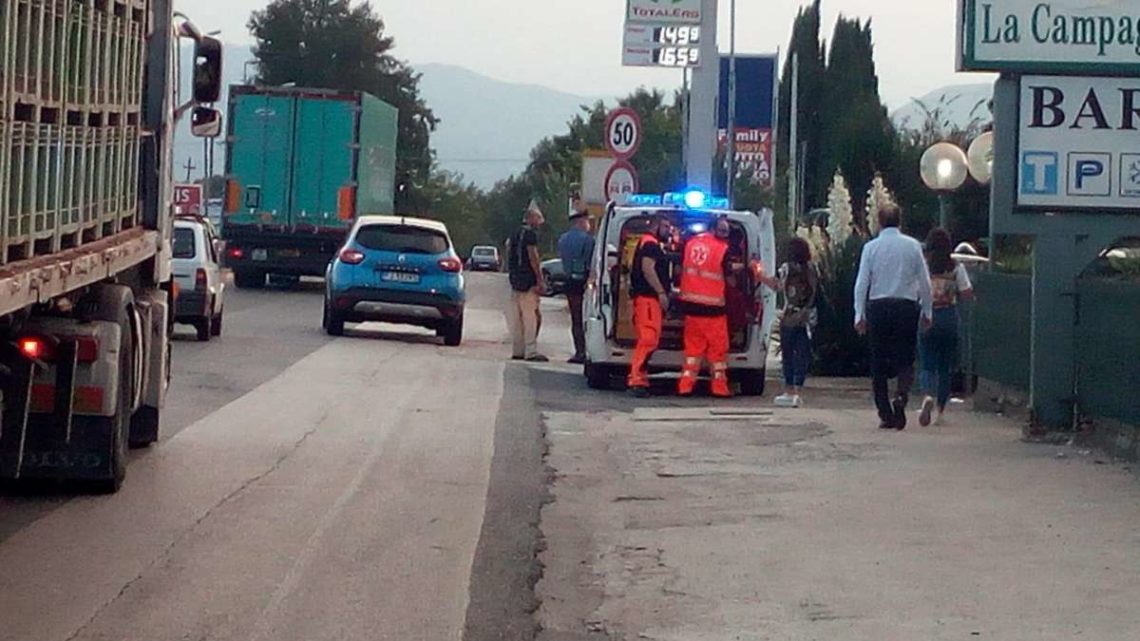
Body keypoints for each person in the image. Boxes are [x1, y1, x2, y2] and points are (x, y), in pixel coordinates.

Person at [854, 204, 933, 430]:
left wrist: (859, 314)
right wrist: (927, 311)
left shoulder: (871, 248)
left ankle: (885, 412)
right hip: (906, 306)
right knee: (905, 358)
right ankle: (901, 395)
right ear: (900, 221)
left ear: (878, 222)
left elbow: (862, 283)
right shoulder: (913, 246)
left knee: (878, 361)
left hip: (878, 306)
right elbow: (925, 282)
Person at [918, 228, 974, 426]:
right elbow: (967, 292)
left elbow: (916, 289)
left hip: (928, 316)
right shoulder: (956, 267)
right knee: (945, 367)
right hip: (949, 316)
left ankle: (927, 395)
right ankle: (941, 412)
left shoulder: (925, 267)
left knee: (927, 362)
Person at [677, 215, 736, 398]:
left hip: (691, 308)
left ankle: (685, 385)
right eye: (724, 232)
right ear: (715, 229)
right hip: (714, 311)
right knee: (717, 353)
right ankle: (719, 387)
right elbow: (730, 279)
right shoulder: (722, 249)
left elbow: (681, 270)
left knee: (692, 352)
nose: (725, 236)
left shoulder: (690, 243)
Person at [759, 237, 819, 408]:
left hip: (790, 317)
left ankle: (788, 389)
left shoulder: (786, 268)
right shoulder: (812, 269)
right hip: (807, 318)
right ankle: (798, 391)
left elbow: (776, 285)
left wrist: (760, 275)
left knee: (788, 355)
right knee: (802, 354)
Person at [626, 215, 675, 397]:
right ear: (656, 226)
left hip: (647, 300)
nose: (668, 230)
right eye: (666, 226)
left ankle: (640, 377)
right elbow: (648, 268)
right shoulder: (650, 245)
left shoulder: (648, 243)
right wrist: (661, 292)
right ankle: (636, 379)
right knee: (648, 339)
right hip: (648, 299)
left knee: (649, 339)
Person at [507, 204, 548, 362]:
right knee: (531, 316)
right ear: (531, 217)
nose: (540, 222)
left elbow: (508, 250)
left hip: (515, 280)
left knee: (517, 318)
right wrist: (539, 279)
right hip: (528, 281)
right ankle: (531, 350)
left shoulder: (515, 233)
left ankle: (518, 349)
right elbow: (533, 256)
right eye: (538, 218)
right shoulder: (530, 235)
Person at [557, 208, 595, 364]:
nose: (589, 225)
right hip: (585, 283)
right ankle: (586, 351)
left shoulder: (563, 239)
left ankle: (578, 351)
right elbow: (591, 262)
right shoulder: (588, 240)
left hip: (570, 283)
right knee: (588, 319)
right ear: (581, 222)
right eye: (587, 221)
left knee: (576, 319)